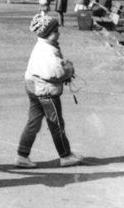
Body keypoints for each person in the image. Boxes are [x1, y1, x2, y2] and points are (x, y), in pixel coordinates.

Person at [15, 14, 83, 168]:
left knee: (33, 123)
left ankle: (22, 155)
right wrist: (68, 69)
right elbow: (54, 73)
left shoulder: (42, 46)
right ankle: (65, 156)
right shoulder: (48, 52)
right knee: (56, 123)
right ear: (49, 32)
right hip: (45, 92)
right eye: (56, 29)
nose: (59, 32)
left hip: (33, 88)